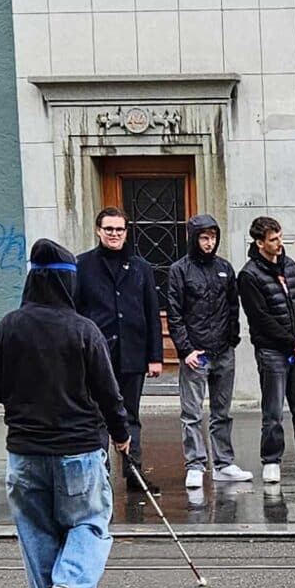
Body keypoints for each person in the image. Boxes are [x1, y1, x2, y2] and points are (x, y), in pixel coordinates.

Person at [0, 239, 133, 588]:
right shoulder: (84, 330)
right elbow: (108, 390)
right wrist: (121, 434)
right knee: (89, 522)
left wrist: (21, 404)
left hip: (25, 451)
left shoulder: (9, 326)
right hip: (78, 448)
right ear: (69, 284)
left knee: (36, 530)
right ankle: (71, 587)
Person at [75, 206, 164, 490]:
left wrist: (155, 357)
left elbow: (152, 312)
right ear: (98, 230)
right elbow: (75, 313)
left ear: (127, 232)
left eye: (119, 229)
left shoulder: (141, 267)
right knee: (98, 416)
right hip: (95, 355)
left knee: (130, 416)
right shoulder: (82, 265)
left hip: (133, 354)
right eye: (109, 229)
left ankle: (133, 473)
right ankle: (99, 475)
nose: (114, 234)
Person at [165, 213, 251, 490]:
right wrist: (185, 349)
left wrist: (233, 338)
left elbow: (233, 306)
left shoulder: (224, 267)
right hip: (196, 352)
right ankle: (195, 464)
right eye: (204, 237)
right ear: (193, 238)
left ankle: (224, 463)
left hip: (223, 349)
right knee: (191, 413)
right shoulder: (180, 270)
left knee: (222, 412)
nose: (209, 243)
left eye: (213, 237)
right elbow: (175, 313)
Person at [237, 215, 295, 483]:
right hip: (271, 351)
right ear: (259, 242)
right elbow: (260, 319)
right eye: (273, 239)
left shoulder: (290, 266)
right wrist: (292, 342)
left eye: (280, 236)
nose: (279, 243)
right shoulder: (249, 275)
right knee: (273, 410)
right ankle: (271, 460)